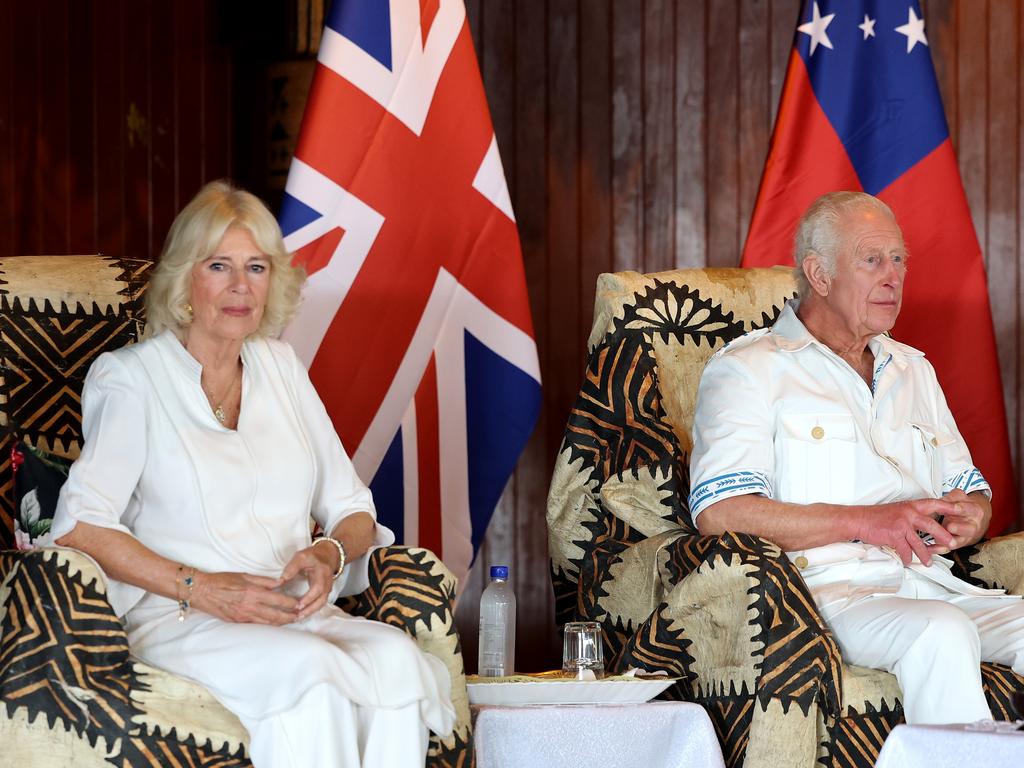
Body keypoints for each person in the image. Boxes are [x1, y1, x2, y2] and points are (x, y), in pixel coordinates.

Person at [51, 180, 455, 767]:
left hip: (292, 610)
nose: (241, 287)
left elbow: (352, 508)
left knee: (394, 659)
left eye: (257, 267)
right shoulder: (130, 379)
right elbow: (80, 526)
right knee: (314, 676)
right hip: (182, 616)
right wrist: (203, 587)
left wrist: (330, 556)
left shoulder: (281, 366)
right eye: (220, 266)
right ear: (188, 279)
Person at [689, 191, 1024, 725]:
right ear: (819, 275)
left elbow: (972, 489)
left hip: (930, 582)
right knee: (940, 631)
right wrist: (868, 523)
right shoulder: (750, 369)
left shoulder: (914, 368)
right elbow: (720, 513)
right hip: (826, 596)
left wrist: (971, 516)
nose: (893, 277)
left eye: (899, 260)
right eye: (872, 260)